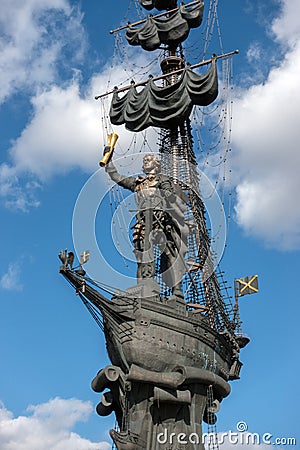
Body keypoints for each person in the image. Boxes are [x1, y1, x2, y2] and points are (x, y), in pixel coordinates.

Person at [105, 153, 189, 298]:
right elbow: (117, 177)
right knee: (142, 255)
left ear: (156, 165)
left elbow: (170, 195)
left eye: (149, 160)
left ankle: (177, 291)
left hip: (161, 221)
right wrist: (108, 161)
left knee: (170, 254)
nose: (145, 162)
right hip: (143, 222)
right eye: (145, 160)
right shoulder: (138, 183)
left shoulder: (162, 179)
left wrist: (166, 191)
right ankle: (145, 285)